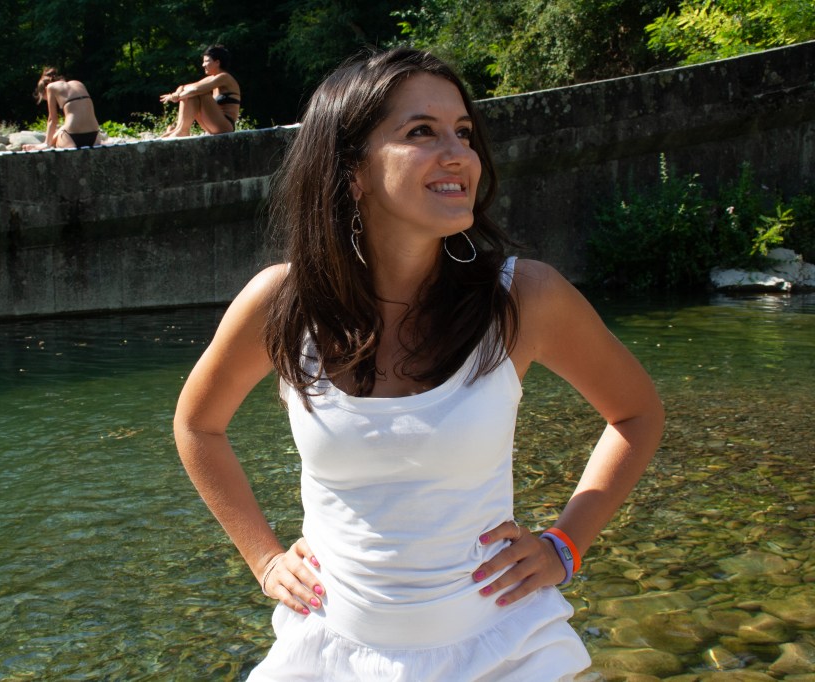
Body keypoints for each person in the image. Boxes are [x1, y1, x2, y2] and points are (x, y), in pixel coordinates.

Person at [173, 47, 664, 681]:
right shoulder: (283, 305)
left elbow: (636, 414)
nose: (459, 154)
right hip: (331, 655)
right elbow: (198, 426)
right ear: (351, 169)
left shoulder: (525, 298)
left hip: (504, 655)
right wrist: (264, 560)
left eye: (463, 132)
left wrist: (564, 545)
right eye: (421, 132)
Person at [159, 45, 240, 138]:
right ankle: (179, 129)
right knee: (193, 93)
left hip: (225, 126)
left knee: (199, 93)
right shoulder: (211, 78)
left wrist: (177, 97)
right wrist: (176, 94)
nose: (203, 65)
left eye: (206, 61)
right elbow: (184, 87)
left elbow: (196, 89)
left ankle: (182, 130)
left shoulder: (224, 77)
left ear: (217, 62)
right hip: (212, 125)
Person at [23, 67, 100, 150]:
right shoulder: (78, 83)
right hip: (95, 136)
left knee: (51, 143)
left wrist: (47, 143)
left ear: (45, 88)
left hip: (72, 136)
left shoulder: (50, 87)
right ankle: (46, 143)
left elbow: (53, 120)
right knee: (63, 127)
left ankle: (45, 144)